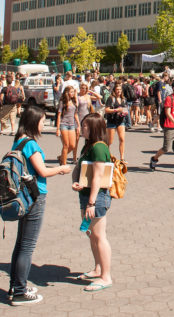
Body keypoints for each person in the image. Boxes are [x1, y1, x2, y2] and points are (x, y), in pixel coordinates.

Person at [7, 106, 72, 305]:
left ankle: (16, 284)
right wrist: (61, 168)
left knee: (20, 243)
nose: (44, 124)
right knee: (27, 245)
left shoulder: (18, 140)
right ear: (34, 122)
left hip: (22, 194)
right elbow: (42, 171)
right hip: (34, 196)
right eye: (43, 121)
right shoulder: (30, 144)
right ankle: (19, 291)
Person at [71, 113, 113, 292]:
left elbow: (97, 177)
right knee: (91, 234)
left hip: (97, 197)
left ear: (94, 128)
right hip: (87, 195)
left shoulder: (99, 148)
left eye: (85, 126)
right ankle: (98, 268)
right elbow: (84, 172)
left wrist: (91, 202)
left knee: (99, 235)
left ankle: (106, 276)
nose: (82, 129)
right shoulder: (88, 146)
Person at [150, 80, 174, 173]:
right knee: (166, 148)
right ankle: (154, 159)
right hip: (170, 126)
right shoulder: (169, 98)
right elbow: (168, 113)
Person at [56, 85, 81, 165]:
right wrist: (57, 128)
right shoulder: (62, 102)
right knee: (66, 145)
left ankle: (62, 156)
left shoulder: (74, 102)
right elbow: (59, 115)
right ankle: (63, 164)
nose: (73, 93)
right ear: (67, 93)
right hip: (64, 124)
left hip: (72, 124)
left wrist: (78, 125)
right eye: (71, 92)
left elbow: (75, 114)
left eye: (73, 92)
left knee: (73, 145)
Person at [104, 85, 128, 162]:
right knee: (109, 141)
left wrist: (124, 112)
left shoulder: (123, 99)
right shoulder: (111, 99)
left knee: (122, 139)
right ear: (114, 90)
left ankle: (122, 157)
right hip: (112, 121)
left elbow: (125, 108)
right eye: (117, 89)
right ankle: (107, 156)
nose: (119, 91)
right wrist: (116, 110)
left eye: (120, 89)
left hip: (121, 121)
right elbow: (106, 110)